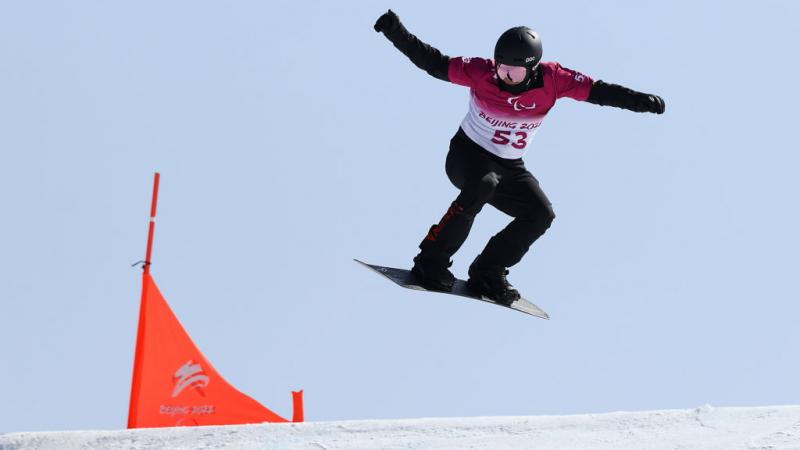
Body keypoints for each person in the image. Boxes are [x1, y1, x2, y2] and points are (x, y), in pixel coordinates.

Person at [373, 10, 665, 305]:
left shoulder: (555, 78)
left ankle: (488, 271)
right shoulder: (481, 72)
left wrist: (638, 101)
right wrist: (395, 31)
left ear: (533, 68)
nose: (506, 76)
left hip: (510, 167)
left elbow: (598, 91)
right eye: (502, 68)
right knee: (482, 184)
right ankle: (430, 261)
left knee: (540, 214)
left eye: (515, 72)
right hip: (467, 156)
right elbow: (433, 63)